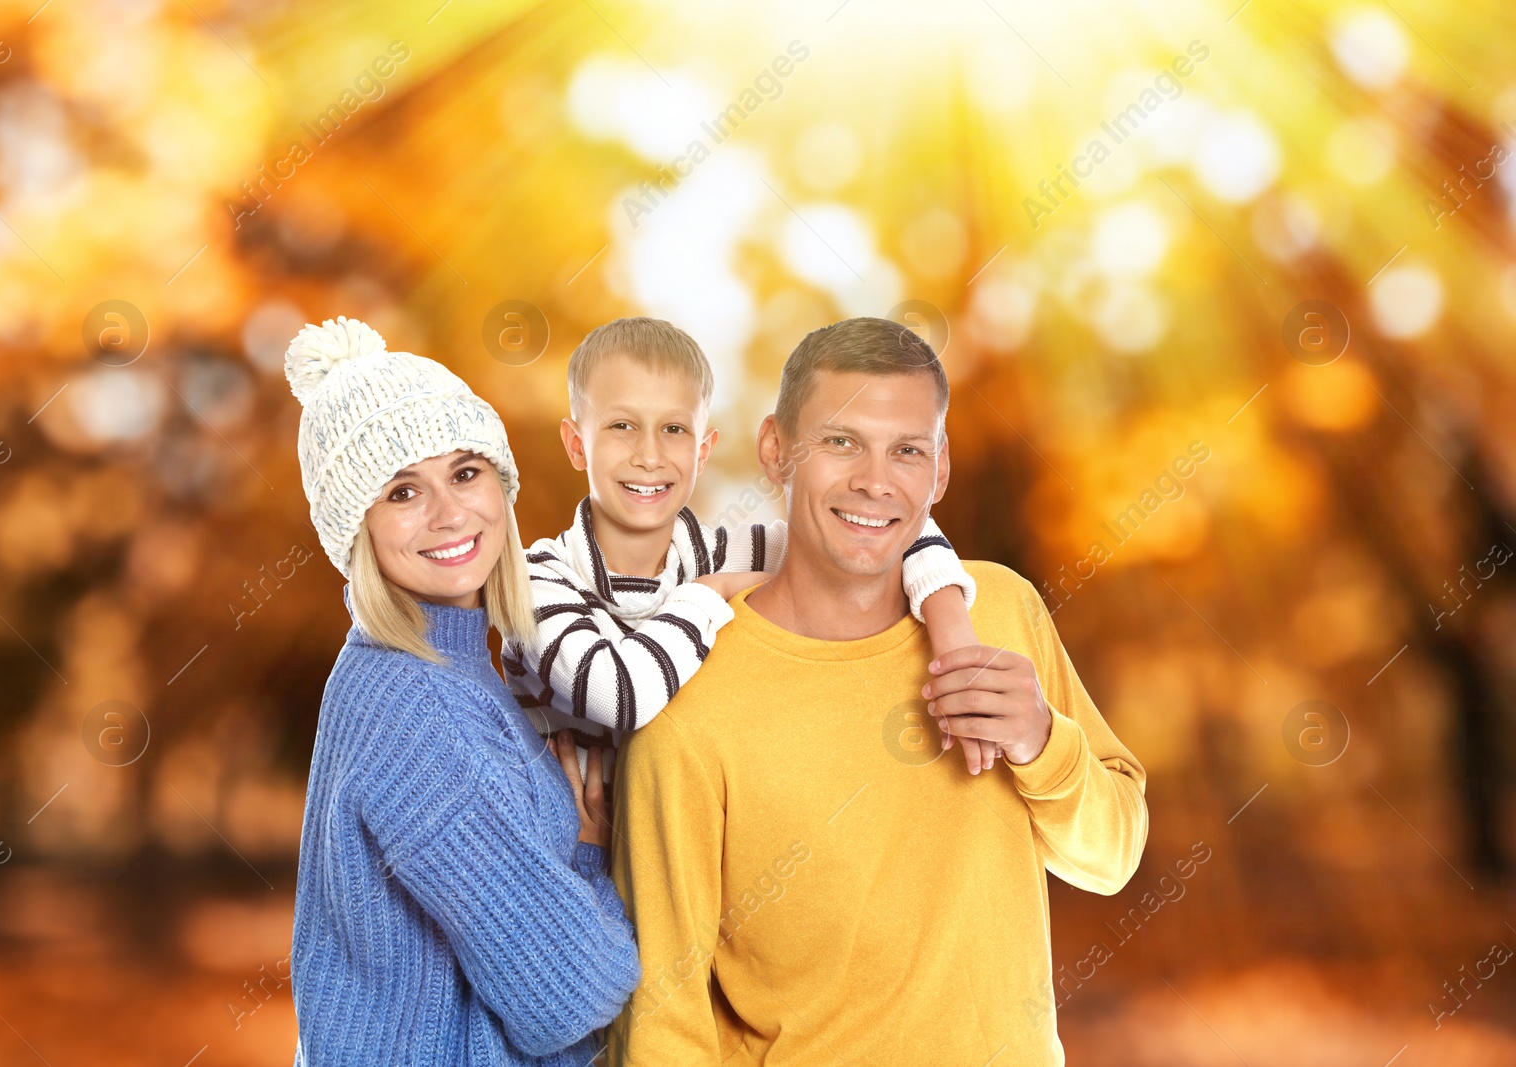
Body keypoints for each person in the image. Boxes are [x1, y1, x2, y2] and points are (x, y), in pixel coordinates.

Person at [605, 317, 1149, 1066]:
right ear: (775, 448)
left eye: (907, 450)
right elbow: (668, 1020)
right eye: (840, 441)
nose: (875, 479)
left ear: (941, 468)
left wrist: (1041, 738)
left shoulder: (999, 611)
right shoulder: (688, 702)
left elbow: (1113, 856)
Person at [283, 316, 639, 1065]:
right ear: (359, 529)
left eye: (467, 471)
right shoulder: (413, 704)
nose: (450, 512)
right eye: (404, 490)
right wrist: (588, 851)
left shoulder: (440, 668)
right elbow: (568, 994)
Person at [505, 316, 1003, 780]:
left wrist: (953, 633)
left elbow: (884, 532)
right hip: (559, 853)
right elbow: (621, 696)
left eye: (674, 429)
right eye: (621, 426)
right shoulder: (535, 581)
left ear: (703, 451)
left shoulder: (722, 551)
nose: (650, 456)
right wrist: (710, 592)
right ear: (575, 445)